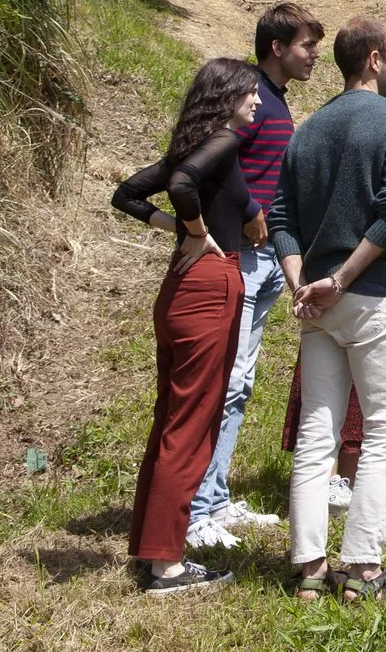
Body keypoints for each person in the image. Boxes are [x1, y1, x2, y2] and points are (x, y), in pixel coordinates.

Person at [272, 16, 386, 604]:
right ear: (374, 60)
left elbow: (281, 218)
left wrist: (302, 284)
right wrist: (338, 280)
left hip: (317, 302)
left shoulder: (307, 129)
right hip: (370, 294)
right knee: (385, 432)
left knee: (318, 433)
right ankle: (363, 568)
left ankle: (310, 567)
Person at [110, 57, 262, 594]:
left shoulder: (197, 146)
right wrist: (194, 230)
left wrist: (181, 227)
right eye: (250, 92)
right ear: (227, 96)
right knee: (191, 424)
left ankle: (153, 548)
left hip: (181, 289)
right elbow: (180, 184)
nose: (257, 101)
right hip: (209, 286)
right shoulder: (223, 142)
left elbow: (126, 194)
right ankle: (166, 565)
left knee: (172, 419)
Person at [185, 2, 321, 550]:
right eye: (306, 45)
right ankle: (196, 510)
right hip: (238, 253)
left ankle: (215, 497)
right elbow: (216, 162)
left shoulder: (275, 101)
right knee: (223, 381)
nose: (314, 55)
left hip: (263, 257)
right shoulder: (251, 98)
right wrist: (248, 213)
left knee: (239, 382)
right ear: (276, 47)